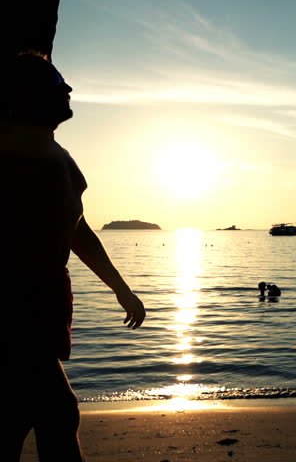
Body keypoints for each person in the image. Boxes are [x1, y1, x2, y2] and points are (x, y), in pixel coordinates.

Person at [1, 51, 146, 462]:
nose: (67, 89)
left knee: (21, 417)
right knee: (55, 413)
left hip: (42, 307)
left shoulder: (53, 151)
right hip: (16, 308)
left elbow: (76, 229)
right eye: (55, 84)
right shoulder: (14, 152)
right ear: (26, 95)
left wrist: (121, 288)